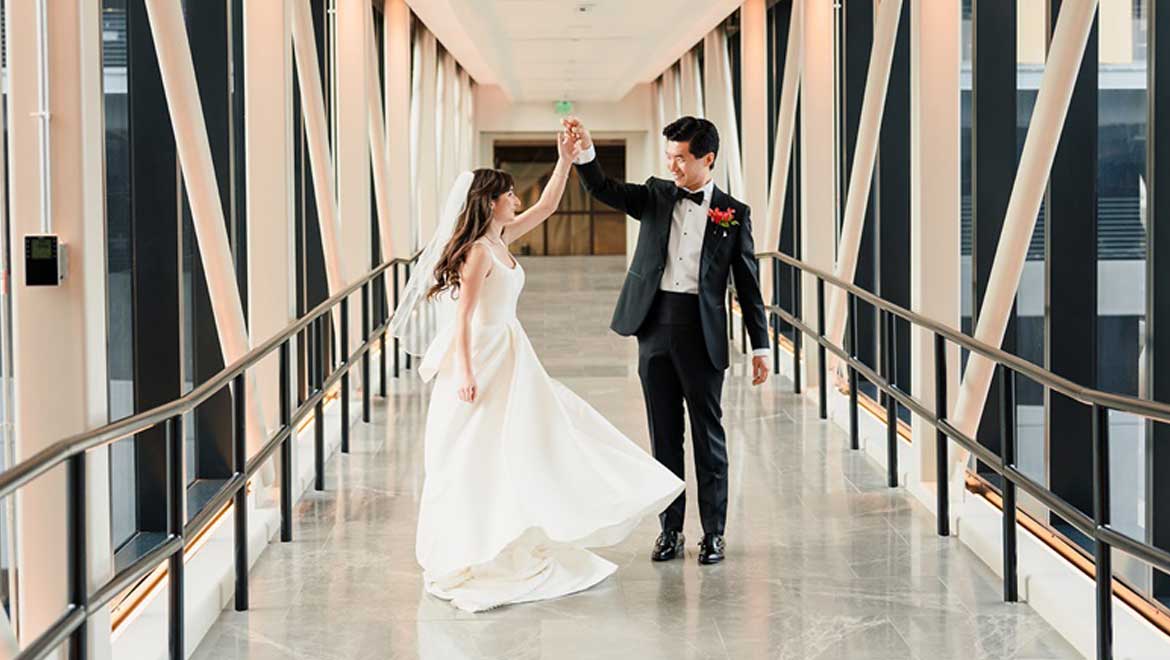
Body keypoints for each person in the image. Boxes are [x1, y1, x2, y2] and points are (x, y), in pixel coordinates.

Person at [392, 131, 684, 613]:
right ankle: (475, 544)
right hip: (483, 357)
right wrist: (464, 373)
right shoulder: (478, 252)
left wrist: (565, 160)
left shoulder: (499, 240)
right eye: (508, 194)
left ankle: (517, 523)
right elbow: (462, 318)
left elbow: (548, 207)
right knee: (477, 450)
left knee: (527, 440)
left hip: (511, 351)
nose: (516, 198)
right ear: (488, 202)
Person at [562, 115, 771, 565]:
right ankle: (670, 531)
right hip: (655, 327)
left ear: (707, 159)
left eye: (681, 158)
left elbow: (749, 284)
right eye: (669, 157)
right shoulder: (657, 194)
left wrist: (761, 346)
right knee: (664, 438)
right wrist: (585, 152)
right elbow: (603, 189)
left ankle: (713, 533)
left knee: (708, 438)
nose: (673, 165)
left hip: (703, 333)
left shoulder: (734, 214)